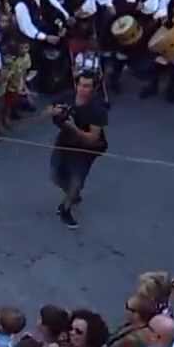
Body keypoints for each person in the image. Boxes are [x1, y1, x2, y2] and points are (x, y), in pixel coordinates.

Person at [49, 72, 107, 229]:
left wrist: (74, 128)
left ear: (94, 89)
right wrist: (52, 111)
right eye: (80, 85)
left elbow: (92, 138)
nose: (82, 89)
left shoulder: (97, 109)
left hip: (85, 148)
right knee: (54, 175)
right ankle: (73, 194)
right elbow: (48, 109)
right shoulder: (68, 96)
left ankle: (65, 208)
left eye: (87, 86)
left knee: (76, 180)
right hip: (65, 141)